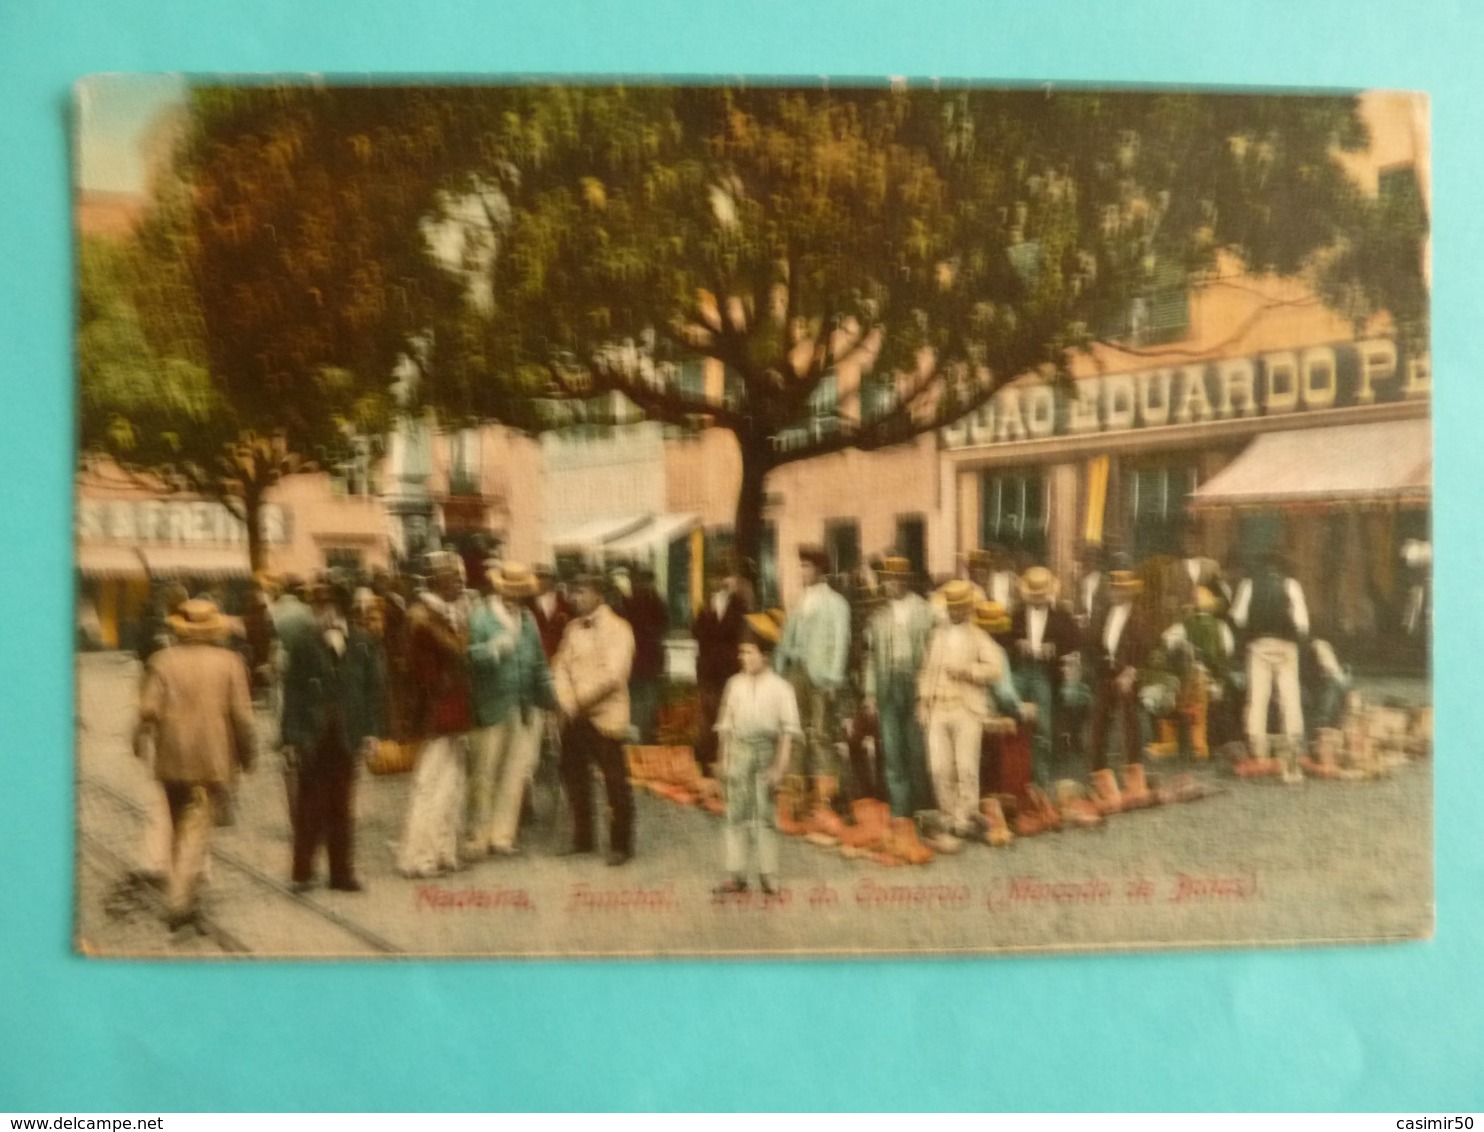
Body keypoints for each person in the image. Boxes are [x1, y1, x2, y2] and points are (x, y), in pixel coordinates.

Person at [132, 598, 257, 930]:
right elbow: (243, 718)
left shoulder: (162, 660)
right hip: (211, 758)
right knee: (197, 827)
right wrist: (248, 755)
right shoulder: (231, 662)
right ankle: (179, 901)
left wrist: (139, 739)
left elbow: (148, 710)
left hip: (171, 757)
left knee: (178, 826)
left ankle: (185, 886)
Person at [278, 577, 385, 894]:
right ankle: (302, 872)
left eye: (325, 604)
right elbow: (293, 694)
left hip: (347, 735)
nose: (319, 610)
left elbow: (373, 691)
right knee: (309, 806)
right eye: (316, 604)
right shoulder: (302, 642)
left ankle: (342, 874)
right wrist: (290, 739)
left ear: (341, 606)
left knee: (343, 806)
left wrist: (371, 733)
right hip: (312, 736)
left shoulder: (363, 642)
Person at [465, 562, 556, 858]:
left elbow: (540, 662)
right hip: (490, 705)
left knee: (516, 772)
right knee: (484, 773)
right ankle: (478, 836)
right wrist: (491, 650)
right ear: (498, 589)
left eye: (519, 594)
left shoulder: (528, 620)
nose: (514, 598)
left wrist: (549, 697)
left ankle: (502, 836)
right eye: (509, 592)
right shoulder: (479, 617)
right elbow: (465, 658)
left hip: (523, 704)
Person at [395, 552, 475, 878]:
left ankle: (441, 852)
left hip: (449, 708)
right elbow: (455, 653)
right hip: (436, 710)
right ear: (437, 582)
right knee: (432, 784)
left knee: (450, 784)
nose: (461, 583)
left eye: (460, 577)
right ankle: (421, 857)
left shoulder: (440, 613)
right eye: (454, 578)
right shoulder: (424, 617)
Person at [713, 610, 802, 896]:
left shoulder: (781, 689)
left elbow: (788, 732)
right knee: (735, 814)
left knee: (765, 815)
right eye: (742, 653)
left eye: (750, 653)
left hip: (765, 752)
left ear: (765, 655)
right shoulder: (734, 685)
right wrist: (722, 760)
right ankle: (736, 873)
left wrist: (779, 767)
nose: (744, 659)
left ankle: (768, 874)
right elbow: (725, 727)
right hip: (738, 752)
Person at [552, 573, 637, 865]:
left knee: (615, 781)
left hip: (606, 716)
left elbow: (614, 676)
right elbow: (560, 667)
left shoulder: (619, 628)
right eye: (573, 592)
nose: (576, 598)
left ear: (599, 594)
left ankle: (621, 845)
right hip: (575, 717)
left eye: (583, 591)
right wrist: (566, 700)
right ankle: (583, 837)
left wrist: (578, 701)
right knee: (573, 776)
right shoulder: (572, 629)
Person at [916, 580, 1003, 847]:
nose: (956, 611)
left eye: (961, 607)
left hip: (967, 708)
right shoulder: (936, 635)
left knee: (965, 766)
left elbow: (995, 669)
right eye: (952, 607)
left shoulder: (979, 636)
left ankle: (964, 818)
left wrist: (968, 672)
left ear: (968, 608)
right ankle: (948, 814)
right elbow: (927, 670)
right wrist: (922, 701)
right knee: (939, 767)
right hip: (938, 707)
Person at [774, 545, 851, 827]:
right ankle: (796, 801)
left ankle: (825, 800)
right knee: (795, 733)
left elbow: (840, 644)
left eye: (806, 567)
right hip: (797, 674)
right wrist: (781, 672)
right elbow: (785, 640)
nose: (802, 572)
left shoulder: (836, 604)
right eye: (801, 567)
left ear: (819, 570)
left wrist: (832, 678)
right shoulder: (799, 601)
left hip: (821, 677)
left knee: (820, 735)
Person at [861, 555, 937, 820]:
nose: (889, 585)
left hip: (916, 685)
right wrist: (870, 694)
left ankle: (922, 808)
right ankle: (900, 811)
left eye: (895, 579)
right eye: (886, 580)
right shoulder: (878, 616)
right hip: (887, 685)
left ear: (906, 580)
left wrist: (927, 693)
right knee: (892, 749)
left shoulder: (926, 611)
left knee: (917, 749)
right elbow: (870, 658)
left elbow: (932, 654)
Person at [1230, 550, 1310, 784]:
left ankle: (1258, 750)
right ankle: (1292, 749)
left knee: (1258, 698)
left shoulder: (1249, 583)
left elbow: (1238, 617)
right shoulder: (1291, 584)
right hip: (1286, 646)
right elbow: (1302, 624)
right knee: (1289, 697)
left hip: (1259, 644)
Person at [1009, 566, 1082, 787]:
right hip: (1020, 671)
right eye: (1033, 595)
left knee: (1043, 726)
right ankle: (1017, 775)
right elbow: (1003, 639)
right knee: (1015, 720)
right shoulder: (1017, 613)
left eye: (1041, 595)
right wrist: (1017, 643)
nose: (1037, 599)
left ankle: (1040, 779)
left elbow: (1075, 641)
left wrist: (1054, 648)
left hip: (1045, 673)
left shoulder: (1061, 615)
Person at [1087, 569, 1151, 780]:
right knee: (1099, 721)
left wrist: (1131, 671)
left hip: (1128, 673)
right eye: (1113, 588)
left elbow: (1144, 647)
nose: (1115, 592)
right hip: (1107, 671)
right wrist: (1099, 664)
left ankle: (1134, 771)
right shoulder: (1105, 612)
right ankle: (1098, 771)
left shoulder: (1139, 616)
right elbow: (1095, 642)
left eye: (1120, 589)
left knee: (1129, 722)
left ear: (1130, 592)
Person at [692, 570, 748, 777]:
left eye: (726, 577)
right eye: (717, 577)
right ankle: (706, 761)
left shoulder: (739, 604)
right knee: (707, 717)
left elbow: (740, 631)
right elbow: (696, 631)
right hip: (708, 669)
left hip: (729, 668)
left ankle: (728, 760)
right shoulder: (707, 604)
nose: (722, 581)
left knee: (729, 714)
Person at [621, 565, 669, 744]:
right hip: (644, 662)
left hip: (640, 662)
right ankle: (642, 736)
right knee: (644, 703)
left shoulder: (630, 602)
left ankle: (638, 736)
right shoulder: (653, 601)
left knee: (640, 702)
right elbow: (663, 625)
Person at [527, 563, 571, 661]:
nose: (540, 581)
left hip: (560, 654)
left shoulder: (563, 602)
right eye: (537, 577)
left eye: (544, 577)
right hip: (536, 656)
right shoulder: (527, 603)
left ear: (552, 580)